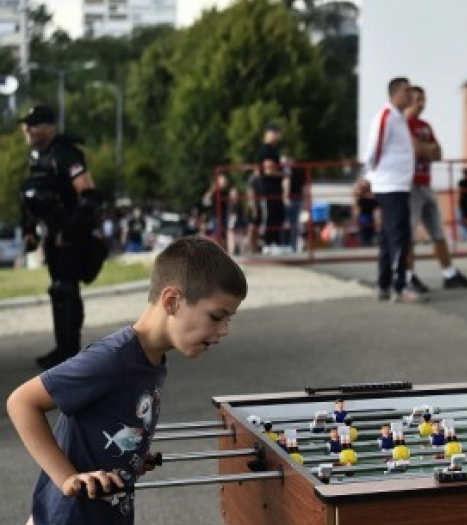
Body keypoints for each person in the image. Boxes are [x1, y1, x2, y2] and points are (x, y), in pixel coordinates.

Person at [6, 236, 248, 525]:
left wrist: (129, 457)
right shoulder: (114, 357)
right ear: (172, 301)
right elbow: (21, 402)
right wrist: (67, 478)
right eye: (217, 316)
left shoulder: (153, 360)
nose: (224, 331)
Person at [18, 105, 108, 370]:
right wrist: (29, 231)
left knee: (66, 290)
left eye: (33, 124)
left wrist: (70, 232)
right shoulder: (37, 156)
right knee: (58, 290)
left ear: (48, 126)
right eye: (27, 124)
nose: (28, 129)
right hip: (52, 235)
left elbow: (89, 195)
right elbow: (32, 196)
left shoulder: (65, 153)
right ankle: (62, 348)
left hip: (70, 236)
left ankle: (69, 350)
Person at [403, 85, 467, 292]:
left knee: (437, 230)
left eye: (424, 99)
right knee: (409, 233)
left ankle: (449, 273)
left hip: (426, 183)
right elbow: (417, 151)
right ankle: (407, 276)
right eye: (418, 99)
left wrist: (426, 150)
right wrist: (426, 150)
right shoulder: (403, 125)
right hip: (411, 184)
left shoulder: (425, 126)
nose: (422, 104)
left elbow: (438, 153)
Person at [362, 77, 424, 303]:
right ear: (396, 93)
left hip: (398, 184)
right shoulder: (387, 116)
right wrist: (370, 176)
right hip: (390, 184)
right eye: (407, 90)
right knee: (399, 236)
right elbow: (374, 148)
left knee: (390, 236)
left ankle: (385, 284)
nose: (410, 95)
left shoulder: (399, 119)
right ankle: (399, 286)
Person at [257, 123, 285, 251]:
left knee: (278, 214)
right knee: (271, 215)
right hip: (269, 188)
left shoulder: (273, 150)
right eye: (274, 132)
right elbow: (268, 170)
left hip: (275, 188)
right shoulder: (266, 150)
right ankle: (268, 244)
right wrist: (283, 174)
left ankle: (275, 242)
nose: (277, 136)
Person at [281, 154, 306, 253]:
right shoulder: (300, 170)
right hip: (298, 198)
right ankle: (292, 246)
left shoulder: (287, 171)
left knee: (286, 223)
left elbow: (286, 183)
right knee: (294, 223)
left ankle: (286, 245)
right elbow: (303, 187)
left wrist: (285, 197)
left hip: (291, 199)